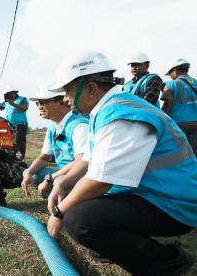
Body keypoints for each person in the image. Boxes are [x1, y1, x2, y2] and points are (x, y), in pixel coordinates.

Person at [45, 50, 197, 275]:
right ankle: (116, 245)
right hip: (153, 194)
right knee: (74, 198)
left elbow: (99, 182)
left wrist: (59, 212)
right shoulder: (106, 110)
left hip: (174, 204)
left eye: (67, 90)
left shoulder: (121, 115)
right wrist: (63, 183)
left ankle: (169, 263)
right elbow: (88, 159)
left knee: (80, 219)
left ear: (90, 89)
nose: (65, 98)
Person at [21, 89, 88, 199]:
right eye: (38, 103)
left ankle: (67, 202)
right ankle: (62, 195)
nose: (39, 106)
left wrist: (50, 178)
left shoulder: (79, 126)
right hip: (63, 171)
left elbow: (81, 162)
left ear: (62, 102)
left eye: (43, 102)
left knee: (59, 180)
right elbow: (44, 158)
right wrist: (29, 172)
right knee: (32, 172)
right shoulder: (53, 128)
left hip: (81, 173)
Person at [161, 58, 197, 156]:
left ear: (175, 71)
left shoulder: (170, 85)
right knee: (194, 156)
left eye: (170, 74)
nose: (170, 77)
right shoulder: (196, 82)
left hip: (179, 126)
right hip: (195, 125)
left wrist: (161, 121)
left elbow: (167, 106)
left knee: (180, 156)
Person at [0, 86, 29, 159]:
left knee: (19, 141)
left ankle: (20, 158)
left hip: (20, 125)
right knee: (8, 140)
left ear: (14, 92)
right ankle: (12, 157)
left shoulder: (22, 99)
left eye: (9, 93)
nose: (7, 95)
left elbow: (25, 108)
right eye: (6, 94)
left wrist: (13, 104)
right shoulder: (7, 102)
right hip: (9, 125)